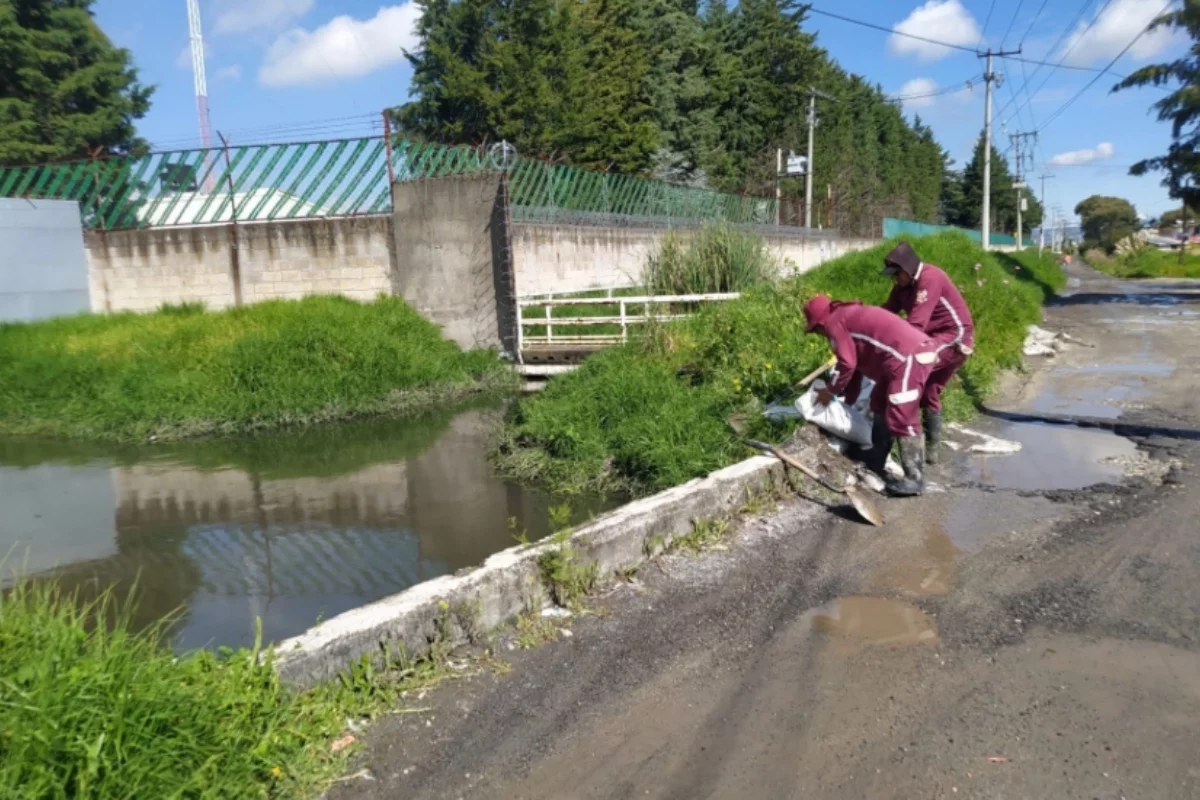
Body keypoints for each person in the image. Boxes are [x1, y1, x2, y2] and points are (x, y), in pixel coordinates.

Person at [804, 294, 938, 497]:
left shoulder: (834, 323)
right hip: (901, 357)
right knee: (878, 403)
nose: (819, 335)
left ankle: (914, 478)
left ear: (820, 322)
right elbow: (854, 371)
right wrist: (844, 405)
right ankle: (876, 459)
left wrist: (829, 392)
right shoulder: (845, 316)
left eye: (815, 330)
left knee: (902, 414)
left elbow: (846, 363)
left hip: (908, 356)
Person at [880, 242, 975, 465]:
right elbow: (887, 313)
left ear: (908, 269)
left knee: (912, 364)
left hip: (954, 336)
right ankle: (930, 445)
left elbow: (915, 326)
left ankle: (907, 438)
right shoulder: (903, 286)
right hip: (931, 337)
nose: (895, 280)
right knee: (929, 391)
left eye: (897, 275)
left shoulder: (930, 279)